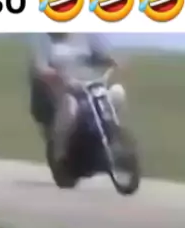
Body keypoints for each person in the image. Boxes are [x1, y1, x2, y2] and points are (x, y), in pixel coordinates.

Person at [29, 33, 126, 164]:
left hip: (92, 85)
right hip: (65, 90)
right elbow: (39, 67)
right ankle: (59, 152)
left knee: (117, 93)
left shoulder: (85, 36)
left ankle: (114, 137)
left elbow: (99, 55)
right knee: (70, 109)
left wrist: (111, 60)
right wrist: (56, 75)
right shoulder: (45, 41)